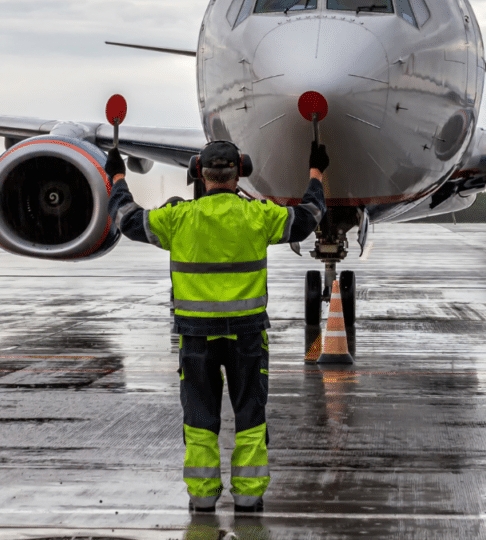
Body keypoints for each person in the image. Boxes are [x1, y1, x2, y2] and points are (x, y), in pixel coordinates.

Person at [105, 138, 329, 514]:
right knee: (250, 419)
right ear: (240, 171)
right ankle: (248, 495)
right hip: (247, 338)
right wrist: (315, 172)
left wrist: (117, 177)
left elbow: (126, 218)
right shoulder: (258, 216)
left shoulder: (177, 219)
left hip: (196, 341)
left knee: (199, 420)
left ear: (198, 173)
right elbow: (309, 216)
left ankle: (203, 497)